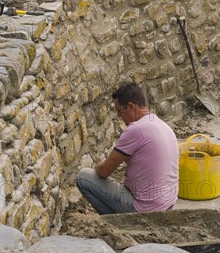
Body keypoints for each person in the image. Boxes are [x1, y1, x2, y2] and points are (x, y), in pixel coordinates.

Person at [76, 82, 179, 214]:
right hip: (167, 204)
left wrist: (97, 166)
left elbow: (104, 171)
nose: (119, 116)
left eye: (120, 110)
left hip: (145, 209)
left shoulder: (136, 129)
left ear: (130, 106)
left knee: (83, 177)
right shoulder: (162, 125)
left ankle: (115, 222)